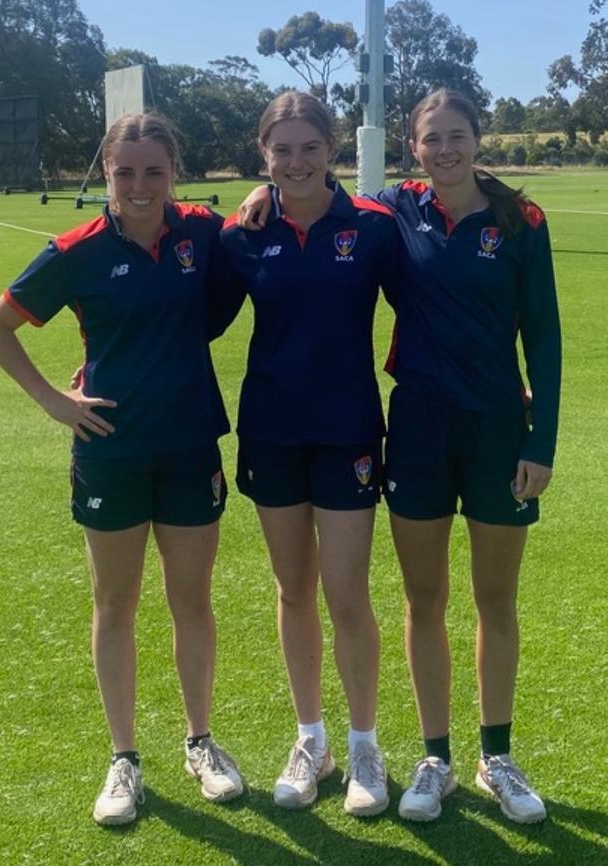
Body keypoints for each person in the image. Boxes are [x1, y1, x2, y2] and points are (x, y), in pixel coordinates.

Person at [238, 88, 561, 825]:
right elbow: (316, 193)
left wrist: (540, 442)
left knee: (495, 600)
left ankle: (497, 757)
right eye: (431, 138)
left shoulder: (520, 219)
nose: (444, 149)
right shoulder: (395, 211)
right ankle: (437, 759)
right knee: (425, 599)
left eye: (457, 135)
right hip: (415, 425)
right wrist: (267, 186)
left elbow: (542, 335)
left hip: (499, 431)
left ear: (479, 138)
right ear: (412, 147)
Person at [0, 113, 244, 826]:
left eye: (153, 170)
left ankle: (201, 742)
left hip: (189, 445)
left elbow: (258, 226)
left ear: (173, 171)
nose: (137, 185)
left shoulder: (200, 233)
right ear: (106, 172)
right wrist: (55, 402)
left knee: (192, 602)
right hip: (110, 452)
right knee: (115, 607)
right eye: (124, 171)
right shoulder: (77, 250)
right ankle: (124, 759)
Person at [219, 91, 398, 817]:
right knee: (293, 591)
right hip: (271, 429)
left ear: (333, 149)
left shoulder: (374, 227)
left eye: (309, 148)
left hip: (350, 429)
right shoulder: (241, 234)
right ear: (265, 154)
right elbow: (178, 313)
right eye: (281, 151)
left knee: (347, 594)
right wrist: (92, 361)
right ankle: (312, 740)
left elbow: (436, 300)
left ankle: (363, 747)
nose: (296, 162)